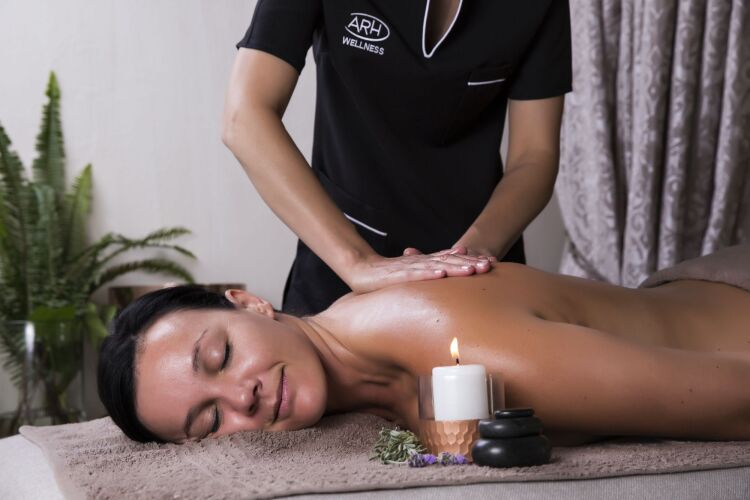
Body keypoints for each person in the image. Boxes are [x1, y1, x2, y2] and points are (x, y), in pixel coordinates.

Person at [98, 246, 750, 444]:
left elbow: (735, 399)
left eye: (220, 357)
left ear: (248, 303)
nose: (242, 397)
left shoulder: (431, 332)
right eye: (210, 422)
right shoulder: (366, 382)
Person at [222, 0, 572, 315]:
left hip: (478, 268)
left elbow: (534, 155)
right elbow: (245, 118)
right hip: (340, 261)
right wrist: (358, 263)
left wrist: (470, 256)